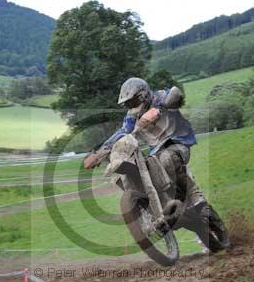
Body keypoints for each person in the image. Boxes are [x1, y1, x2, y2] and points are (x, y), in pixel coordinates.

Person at [84, 77, 206, 207]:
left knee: (167, 158)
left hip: (178, 143)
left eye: (132, 101)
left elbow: (176, 93)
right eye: (128, 103)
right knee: (144, 170)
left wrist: (160, 109)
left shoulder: (160, 97)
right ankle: (152, 207)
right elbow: (122, 133)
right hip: (156, 151)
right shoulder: (132, 117)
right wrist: (98, 154)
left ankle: (194, 194)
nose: (131, 106)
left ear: (143, 96)